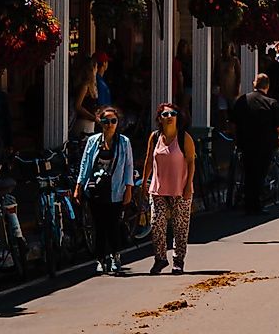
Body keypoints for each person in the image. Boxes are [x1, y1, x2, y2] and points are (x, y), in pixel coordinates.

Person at [73, 106, 133, 274]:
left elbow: (129, 166)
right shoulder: (93, 141)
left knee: (113, 224)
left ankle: (115, 256)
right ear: (100, 122)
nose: (109, 124)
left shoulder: (123, 142)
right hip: (95, 189)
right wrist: (78, 186)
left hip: (115, 190)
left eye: (113, 121)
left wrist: (128, 188)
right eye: (106, 121)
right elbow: (85, 164)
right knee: (98, 226)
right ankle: (100, 259)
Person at [140, 102, 196, 274]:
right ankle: (160, 258)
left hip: (180, 189)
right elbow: (149, 160)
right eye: (165, 114)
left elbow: (191, 162)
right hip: (158, 189)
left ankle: (178, 260)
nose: (169, 117)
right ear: (160, 119)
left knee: (180, 227)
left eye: (172, 114)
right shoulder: (155, 137)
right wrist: (144, 182)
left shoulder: (183, 137)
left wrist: (188, 186)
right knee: (157, 223)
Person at [230, 74, 279, 215]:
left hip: (246, 143)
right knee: (260, 174)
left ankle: (248, 204)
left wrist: (236, 138)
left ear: (254, 84)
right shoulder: (271, 103)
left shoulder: (242, 101)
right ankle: (256, 205)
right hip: (265, 145)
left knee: (249, 173)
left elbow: (232, 123)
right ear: (267, 86)